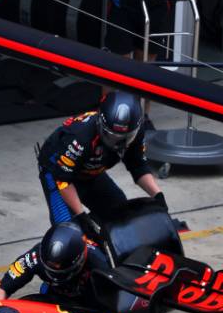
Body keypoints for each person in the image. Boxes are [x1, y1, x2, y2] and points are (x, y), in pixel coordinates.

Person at [36, 92, 166, 227]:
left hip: (90, 171)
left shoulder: (137, 131)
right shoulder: (81, 136)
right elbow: (63, 180)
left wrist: (158, 196)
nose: (119, 144)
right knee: (68, 228)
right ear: (100, 124)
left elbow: (138, 165)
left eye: (126, 137)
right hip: (57, 171)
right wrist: (81, 215)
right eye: (113, 136)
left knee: (119, 210)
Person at [0, 222, 112, 313]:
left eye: (61, 272)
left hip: (88, 306)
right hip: (54, 298)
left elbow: (111, 309)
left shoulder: (100, 265)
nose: (56, 275)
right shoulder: (34, 257)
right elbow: (2, 288)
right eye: (51, 270)